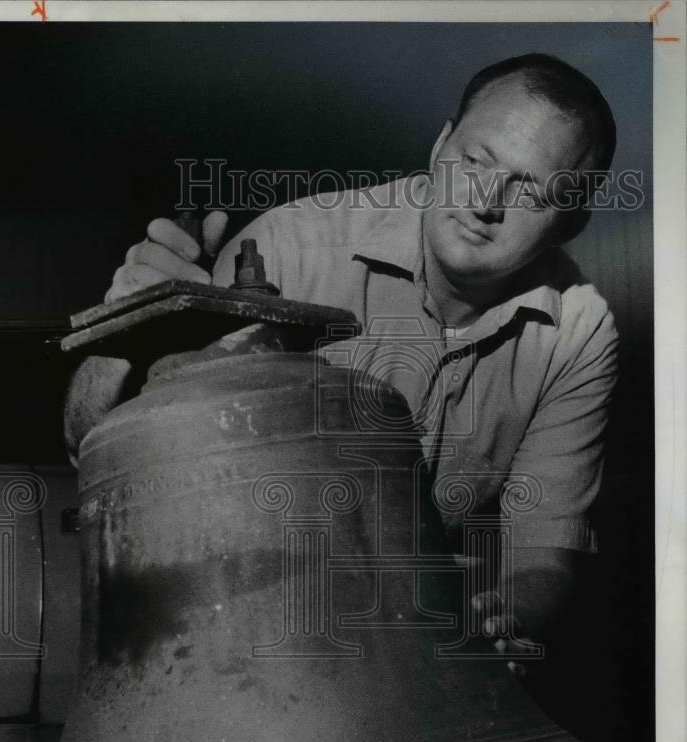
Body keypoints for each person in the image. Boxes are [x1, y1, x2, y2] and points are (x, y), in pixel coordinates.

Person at [65, 53, 618, 670]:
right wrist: (123, 340)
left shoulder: (579, 329)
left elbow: (543, 553)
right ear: (440, 146)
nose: (486, 201)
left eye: (532, 190)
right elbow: (95, 448)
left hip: (423, 659)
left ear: (573, 220)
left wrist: (500, 621)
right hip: (237, 639)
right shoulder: (286, 249)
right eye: (475, 162)